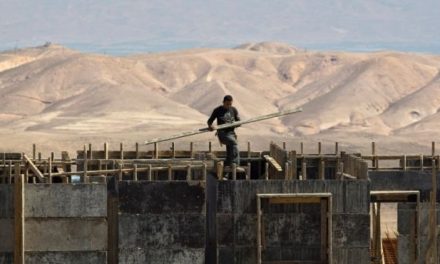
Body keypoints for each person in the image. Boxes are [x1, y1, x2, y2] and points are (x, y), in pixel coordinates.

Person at [207, 95, 241, 172]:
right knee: (233, 143)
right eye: (227, 104)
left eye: (230, 104)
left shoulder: (233, 110)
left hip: (231, 133)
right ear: (223, 102)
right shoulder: (217, 110)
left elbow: (239, 121)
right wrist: (210, 126)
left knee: (230, 148)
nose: (228, 106)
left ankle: (228, 163)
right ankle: (235, 163)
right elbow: (210, 121)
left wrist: (237, 123)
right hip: (222, 133)